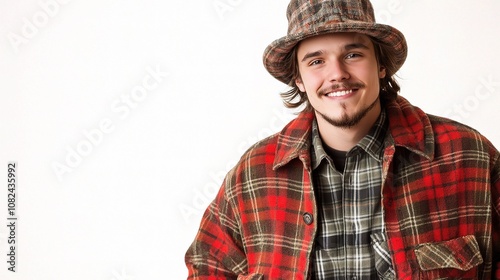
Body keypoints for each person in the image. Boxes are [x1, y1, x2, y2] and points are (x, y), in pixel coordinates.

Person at [185, 0, 500, 279]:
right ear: (298, 77)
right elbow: (208, 266)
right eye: (316, 61)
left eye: (352, 54)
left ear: (381, 65)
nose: (336, 73)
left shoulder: (469, 157)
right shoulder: (253, 176)